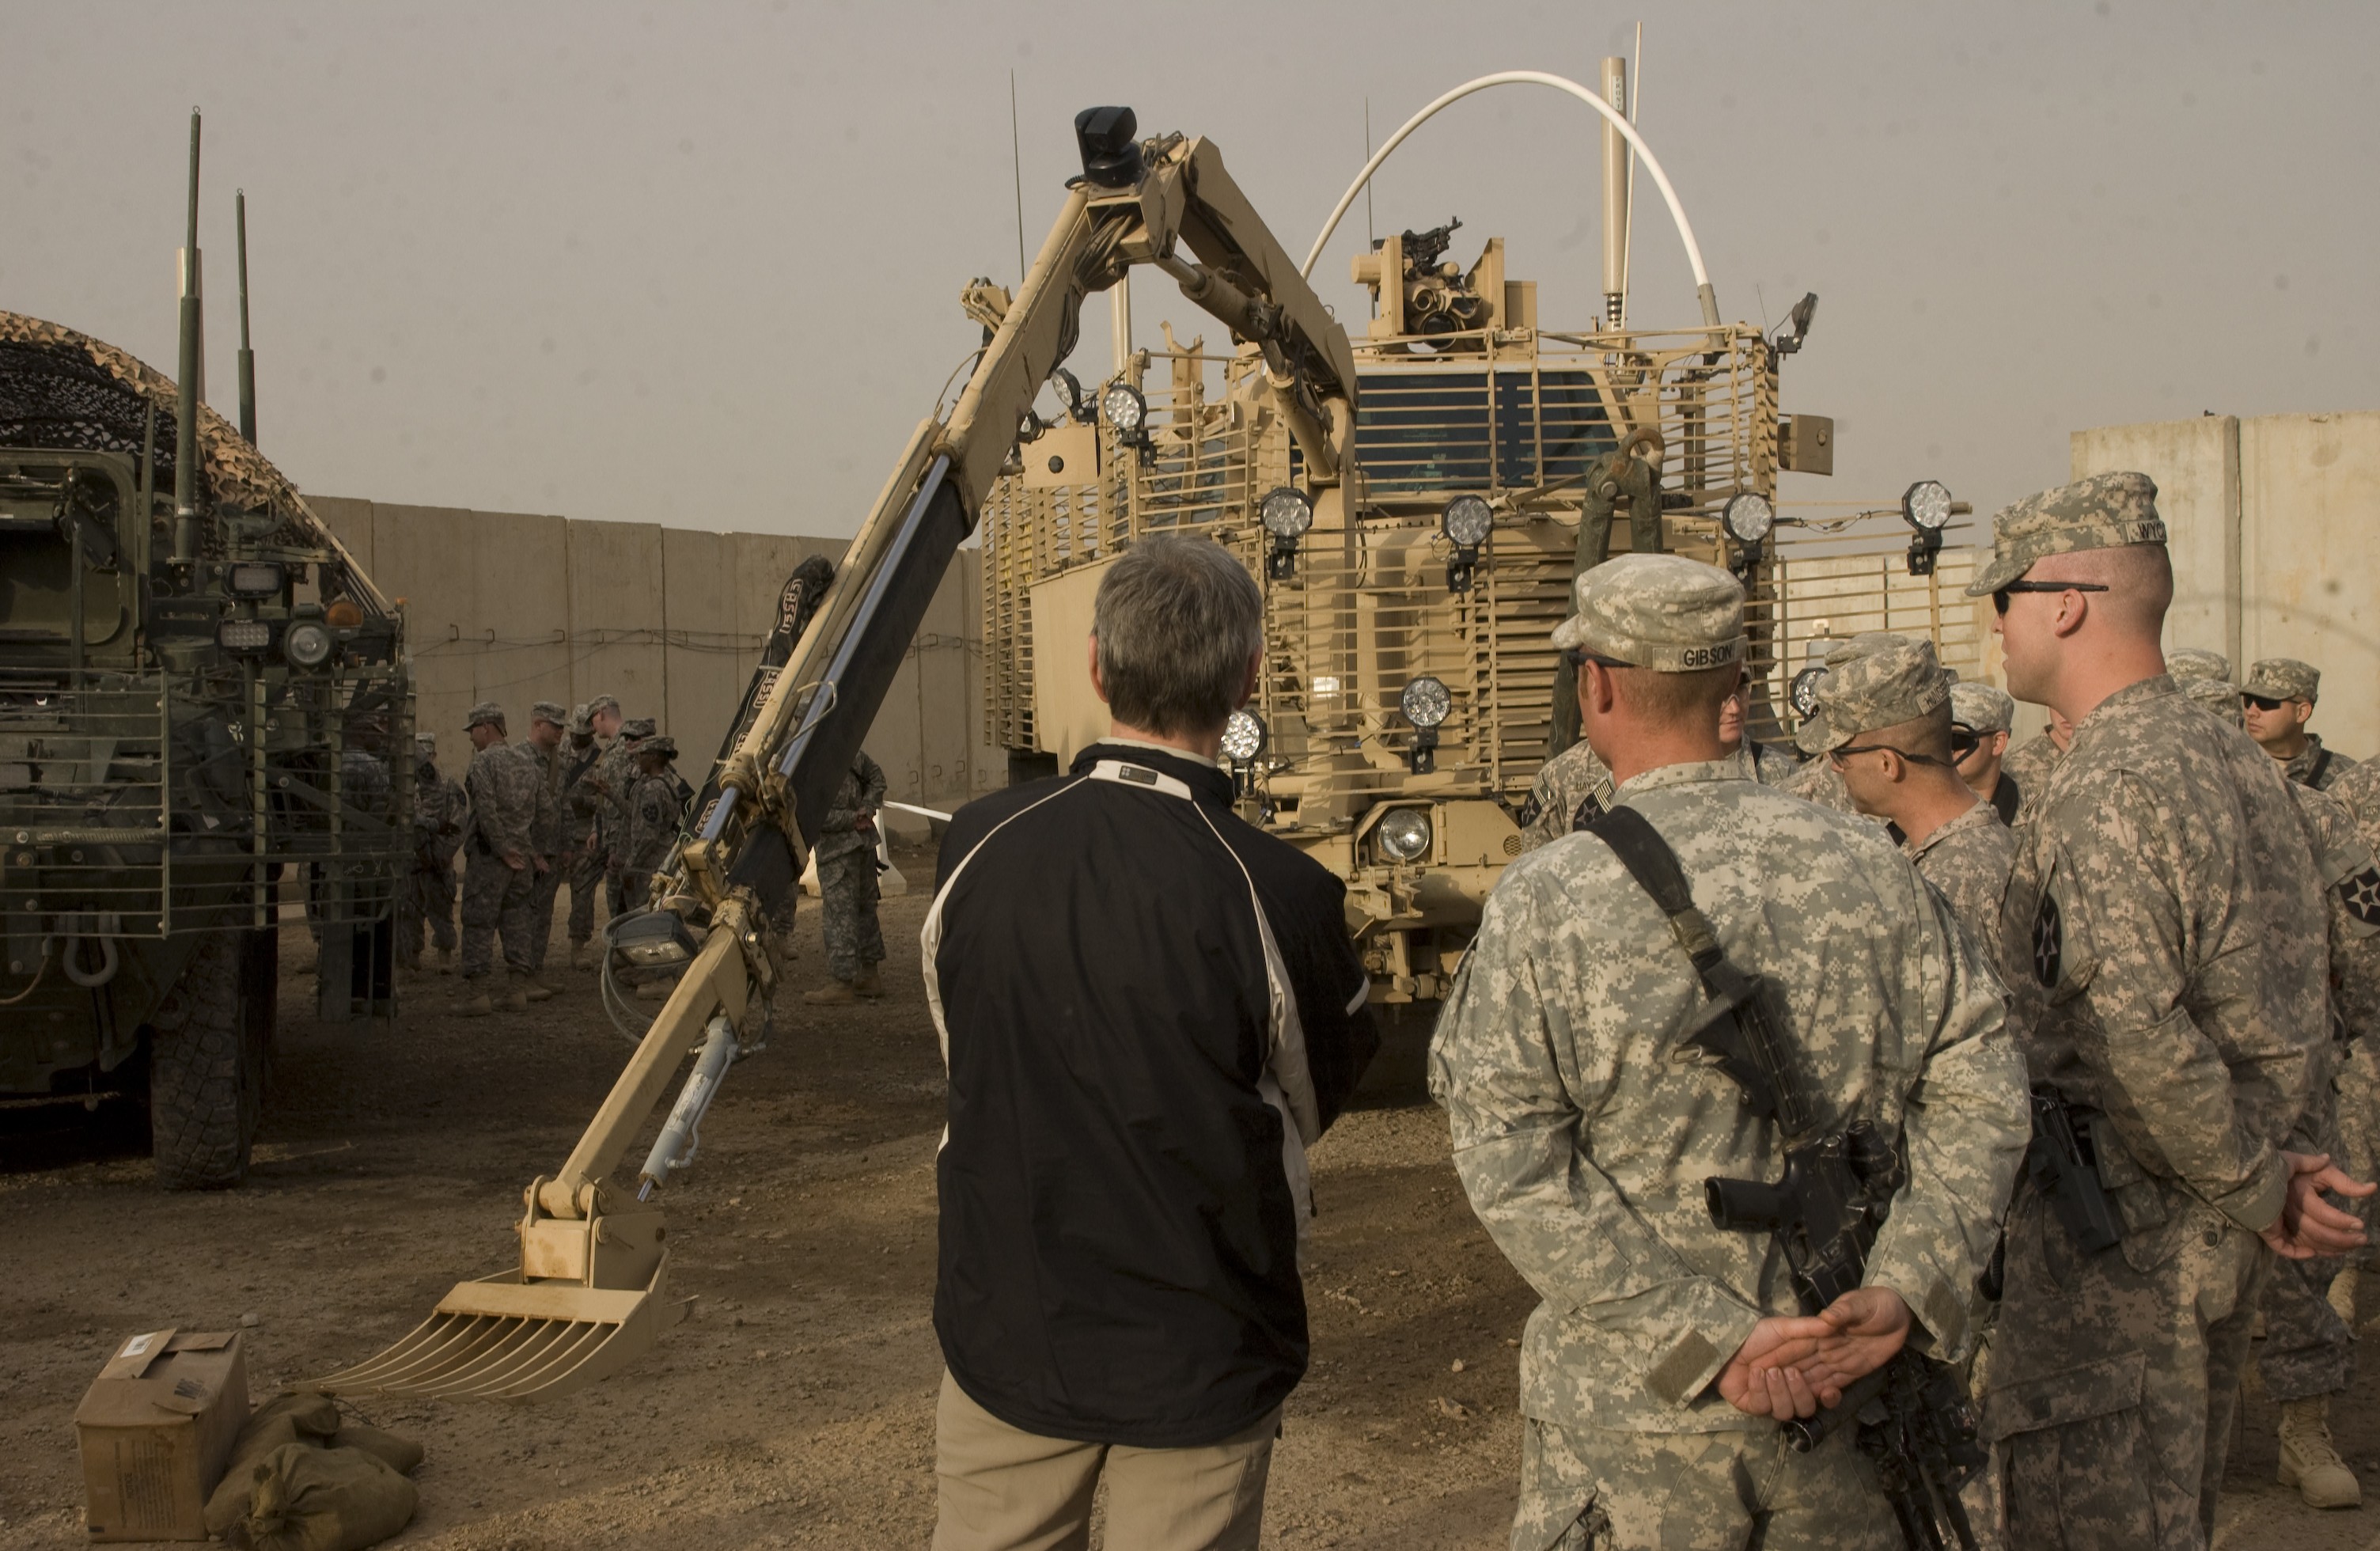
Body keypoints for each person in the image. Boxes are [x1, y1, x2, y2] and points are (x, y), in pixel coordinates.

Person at [1431, 552, 2028, 1551]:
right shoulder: (1873, 869)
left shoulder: (1546, 900)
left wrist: (1704, 1339)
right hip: (1853, 1398)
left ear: (1597, 686)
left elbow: (1510, 1159)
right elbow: (1981, 1080)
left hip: (1636, 1430)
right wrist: (1907, 1286)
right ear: (1735, 691)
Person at [924, 534, 1378, 1551]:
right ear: (1251, 676)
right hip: (1198, 1340)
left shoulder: (977, 843)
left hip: (1009, 1323)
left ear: (1094, 664)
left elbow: (968, 1049)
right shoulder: (1281, 889)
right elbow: (1310, 1097)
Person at [1972, 471, 2371, 1548]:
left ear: (2064, 602)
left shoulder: (2114, 781)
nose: (1991, 621)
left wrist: (2250, 1180)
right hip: (2199, 1232)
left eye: (2001, 595)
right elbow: (2290, 1006)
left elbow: (2133, 1032)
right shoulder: (2230, 759)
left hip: (2123, 1253)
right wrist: (2264, 1171)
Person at [2183, 666, 2380, 1507]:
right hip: (2176, 1089)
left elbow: (2364, 950)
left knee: (2297, 1268)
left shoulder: (2312, 817)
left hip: (2291, 1083)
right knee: (2175, 1278)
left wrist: (2339, 1048)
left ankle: (2302, 1428)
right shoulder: (2125, 822)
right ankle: (2189, 1444)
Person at [1816, 640, 2014, 980]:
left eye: (1840, 756)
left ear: (1887, 764)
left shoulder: (1954, 884)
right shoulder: (1953, 845)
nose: (1835, 768)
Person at [457, 702, 553, 1017]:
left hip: (491, 859)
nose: (471, 737)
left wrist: (502, 848)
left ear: (486, 727)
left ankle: (477, 994)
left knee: (478, 922)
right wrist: (529, 850)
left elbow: (485, 811)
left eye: (473, 730)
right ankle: (516, 991)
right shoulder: (528, 764)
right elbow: (545, 814)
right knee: (517, 922)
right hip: (522, 860)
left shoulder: (482, 764)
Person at [804, 747, 889, 1005]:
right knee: (865, 910)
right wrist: (865, 810)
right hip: (863, 845)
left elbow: (814, 815)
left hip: (838, 851)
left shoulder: (808, 759)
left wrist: (857, 815)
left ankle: (842, 984)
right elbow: (878, 779)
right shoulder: (848, 748)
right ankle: (870, 975)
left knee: (840, 915)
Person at [399, 734, 466, 974]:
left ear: (433, 756)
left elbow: (458, 826)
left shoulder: (449, 786)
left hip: (437, 863)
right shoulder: (406, 789)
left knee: (440, 911)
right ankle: (412, 955)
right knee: (409, 912)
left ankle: (445, 955)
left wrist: (443, 856)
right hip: (412, 864)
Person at [515, 701, 569, 995]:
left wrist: (566, 846)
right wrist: (530, 851)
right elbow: (516, 811)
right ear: (538, 725)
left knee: (544, 914)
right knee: (525, 914)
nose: (561, 731)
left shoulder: (556, 761)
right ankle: (520, 977)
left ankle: (536, 970)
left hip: (550, 852)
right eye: (555, 725)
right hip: (528, 852)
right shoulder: (519, 759)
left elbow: (562, 804)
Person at [2244, 658, 2359, 791]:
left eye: (2265, 703)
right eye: (2248, 700)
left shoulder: (2347, 776)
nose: (2251, 712)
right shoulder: (2230, 763)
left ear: (2302, 712)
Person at [559, 703, 608, 969]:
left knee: (582, 891)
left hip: (584, 832)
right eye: (573, 734)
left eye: (582, 735)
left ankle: (578, 945)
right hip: (557, 831)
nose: (576, 739)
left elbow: (602, 799)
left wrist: (584, 799)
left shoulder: (599, 760)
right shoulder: (559, 753)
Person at [1950, 681, 2020, 825]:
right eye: (1940, 738)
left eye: (1958, 738)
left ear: (1997, 743)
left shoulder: (2034, 814)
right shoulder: (1919, 808)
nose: (1947, 748)